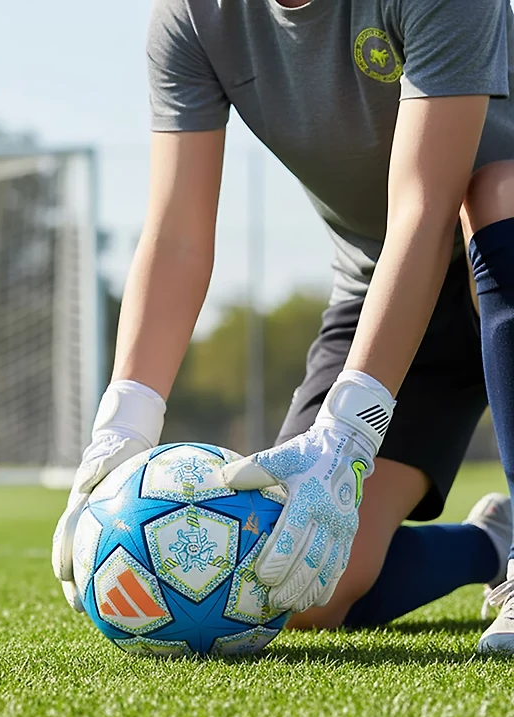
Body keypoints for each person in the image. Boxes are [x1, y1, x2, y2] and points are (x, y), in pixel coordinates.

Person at [52, 0, 514, 653]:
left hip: (494, 243)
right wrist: (122, 423)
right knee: (291, 581)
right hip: (384, 287)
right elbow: (178, 234)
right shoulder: (191, 16)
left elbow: (426, 205)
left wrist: (348, 430)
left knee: (499, 192)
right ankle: (491, 544)